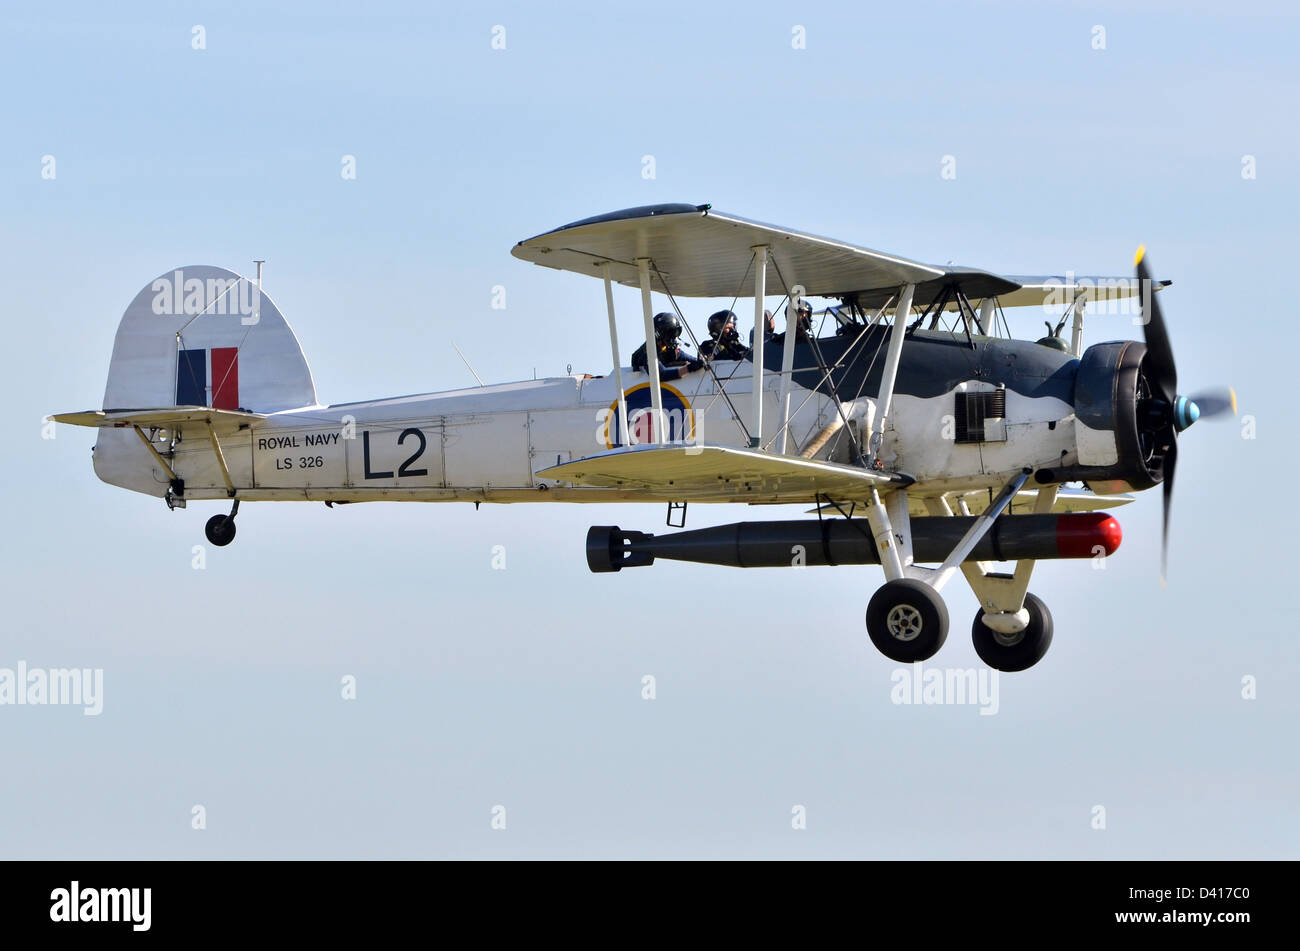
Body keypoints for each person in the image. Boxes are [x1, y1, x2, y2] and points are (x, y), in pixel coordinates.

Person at [631, 312, 703, 381]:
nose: (674, 337)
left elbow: (695, 361)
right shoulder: (649, 351)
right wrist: (689, 368)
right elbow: (660, 375)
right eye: (670, 333)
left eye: (675, 333)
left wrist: (703, 361)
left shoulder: (669, 347)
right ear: (659, 334)